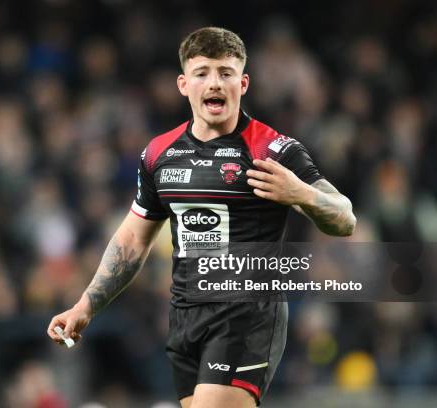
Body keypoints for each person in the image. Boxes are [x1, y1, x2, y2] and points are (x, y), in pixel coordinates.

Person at [47, 27, 356, 407]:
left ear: (243, 83)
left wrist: (303, 194)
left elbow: (345, 218)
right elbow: (132, 240)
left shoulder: (272, 149)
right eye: (203, 72)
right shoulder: (159, 153)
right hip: (185, 317)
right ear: (183, 84)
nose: (215, 83)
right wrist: (85, 305)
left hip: (247, 315)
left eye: (226, 73)